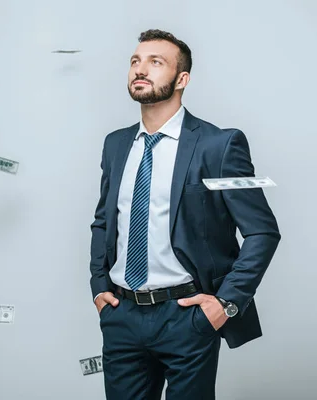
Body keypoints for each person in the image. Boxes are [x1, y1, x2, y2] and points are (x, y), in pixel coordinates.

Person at [88, 29, 281, 400]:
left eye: (155, 62)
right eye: (135, 61)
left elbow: (262, 232)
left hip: (187, 316)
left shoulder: (220, 145)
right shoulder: (115, 144)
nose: (140, 69)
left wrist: (225, 304)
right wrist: (99, 288)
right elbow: (103, 221)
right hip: (122, 316)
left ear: (182, 79)